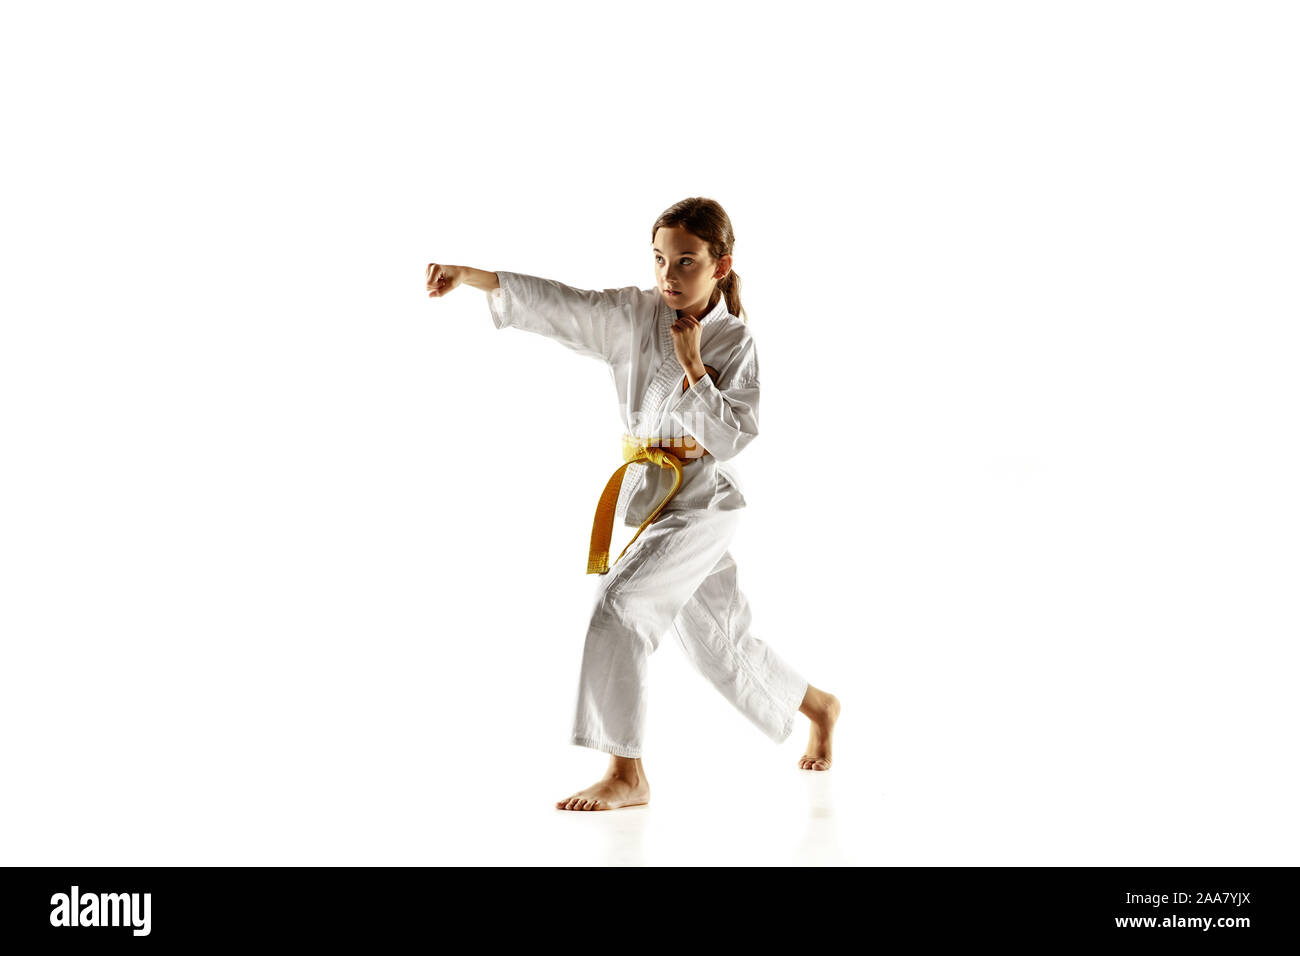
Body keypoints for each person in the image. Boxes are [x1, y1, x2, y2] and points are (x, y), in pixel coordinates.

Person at [425, 197, 840, 811]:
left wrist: (695, 365)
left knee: (619, 608)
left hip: (701, 506)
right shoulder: (634, 315)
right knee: (720, 642)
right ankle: (819, 705)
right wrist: (471, 277)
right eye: (660, 260)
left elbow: (731, 438)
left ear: (720, 266)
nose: (669, 276)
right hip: (651, 496)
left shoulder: (734, 339)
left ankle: (626, 773)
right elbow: (565, 303)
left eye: (686, 263)